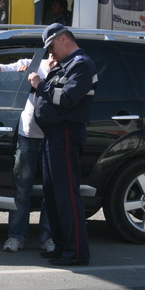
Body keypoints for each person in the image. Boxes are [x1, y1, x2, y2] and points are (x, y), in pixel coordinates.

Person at [29, 23, 97, 266]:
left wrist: (40, 85)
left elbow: (67, 98)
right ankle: (61, 246)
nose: (50, 52)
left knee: (66, 195)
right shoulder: (63, 65)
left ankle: (76, 252)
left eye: (51, 47)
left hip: (66, 134)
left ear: (63, 39)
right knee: (53, 195)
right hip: (53, 135)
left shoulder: (81, 65)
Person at [0, 57, 56, 253]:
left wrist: (40, 84)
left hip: (53, 137)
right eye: (51, 53)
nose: (54, 59)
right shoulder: (33, 64)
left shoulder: (67, 70)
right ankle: (16, 236)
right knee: (21, 190)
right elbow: (5, 68)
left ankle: (48, 238)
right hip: (27, 136)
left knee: (52, 191)